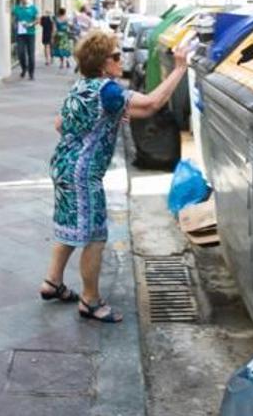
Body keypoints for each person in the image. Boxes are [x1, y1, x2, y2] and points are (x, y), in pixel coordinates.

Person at [41, 30, 189, 323]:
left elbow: (60, 124)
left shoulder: (82, 85)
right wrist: (181, 68)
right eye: (116, 56)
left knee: (71, 226)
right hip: (83, 174)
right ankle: (90, 300)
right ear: (102, 62)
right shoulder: (107, 91)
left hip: (62, 166)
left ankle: (52, 283)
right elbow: (150, 104)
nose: (121, 60)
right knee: (94, 237)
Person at [12, 0, 39, 80]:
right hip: (20, 33)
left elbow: (38, 20)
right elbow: (14, 19)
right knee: (20, 53)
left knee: (31, 54)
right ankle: (24, 68)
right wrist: (15, 25)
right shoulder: (16, 8)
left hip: (31, 33)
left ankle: (31, 73)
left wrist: (30, 24)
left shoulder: (33, 8)